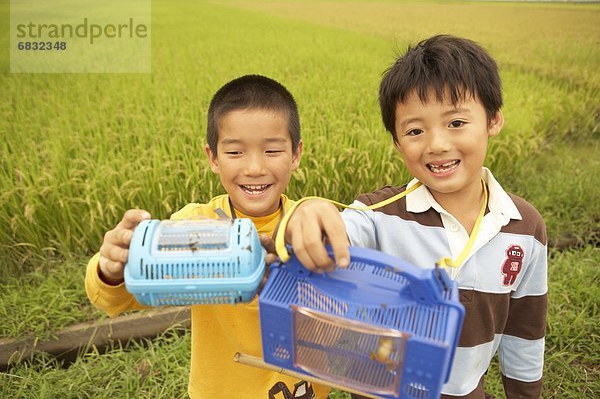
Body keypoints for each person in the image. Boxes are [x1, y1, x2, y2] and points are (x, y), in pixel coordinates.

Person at [281, 35, 547, 398]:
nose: (436, 144)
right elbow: (335, 227)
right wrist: (309, 211)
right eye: (415, 130)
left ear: (493, 119)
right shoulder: (379, 215)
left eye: (456, 123)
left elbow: (524, 332)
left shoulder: (525, 227)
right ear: (397, 142)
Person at [85, 75, 330, 399]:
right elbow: (120, 296)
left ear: (296, 154)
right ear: (213, 157)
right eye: (235, 152)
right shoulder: (195, 226)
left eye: (272, 150)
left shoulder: (308, 225)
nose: (255, 167)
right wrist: (110, 267)